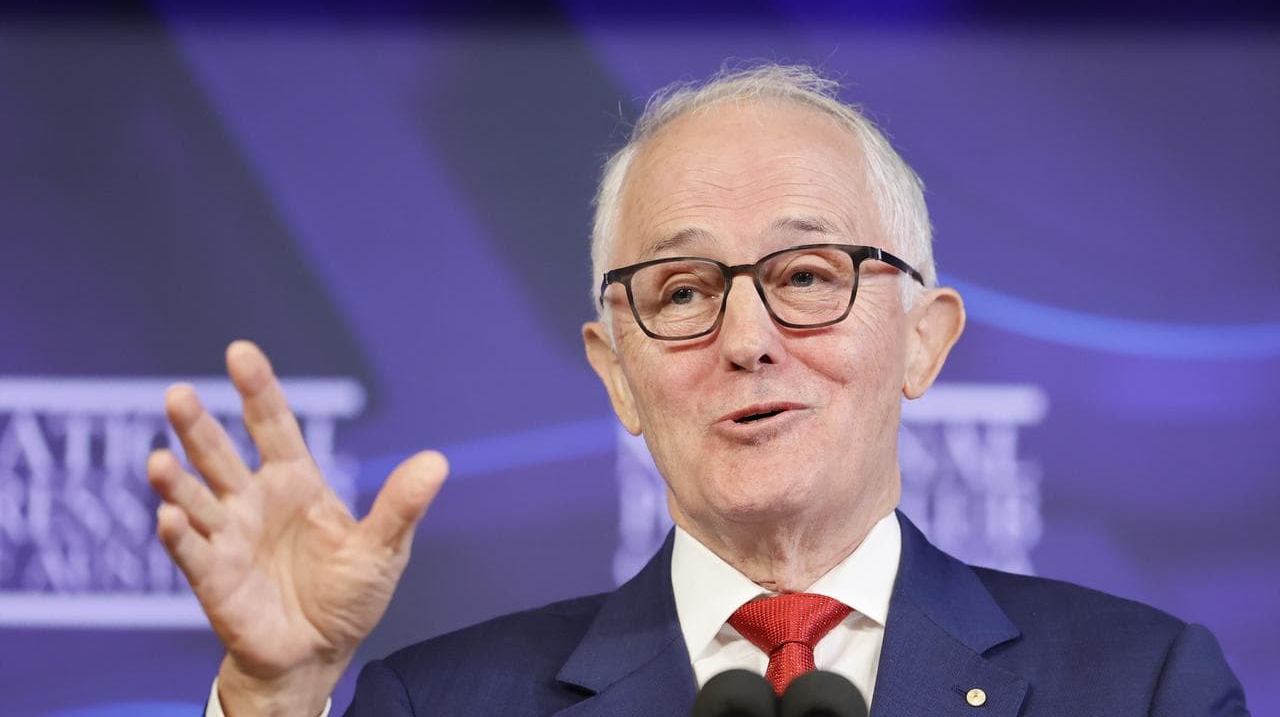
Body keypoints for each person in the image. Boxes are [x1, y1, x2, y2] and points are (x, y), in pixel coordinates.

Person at [147, 64, 1249, 716]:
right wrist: (276, 701)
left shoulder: (1138, 686)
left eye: (805, 276)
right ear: (615, 368)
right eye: (679, 291)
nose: (746, 338)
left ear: (922, 340)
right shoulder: (440, 704)